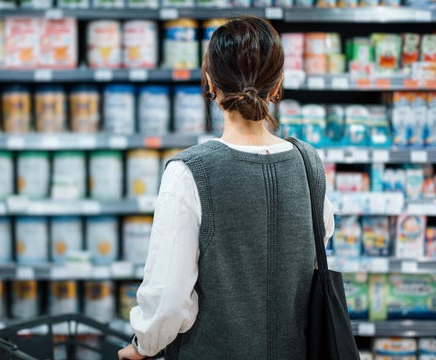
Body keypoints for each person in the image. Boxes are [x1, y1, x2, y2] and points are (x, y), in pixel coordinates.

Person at [118, 15, 335, 360]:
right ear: (277, 85)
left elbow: (169, 300)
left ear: (210, 84)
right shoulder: (310, 164)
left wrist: (142, 346)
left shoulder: (190, 171)